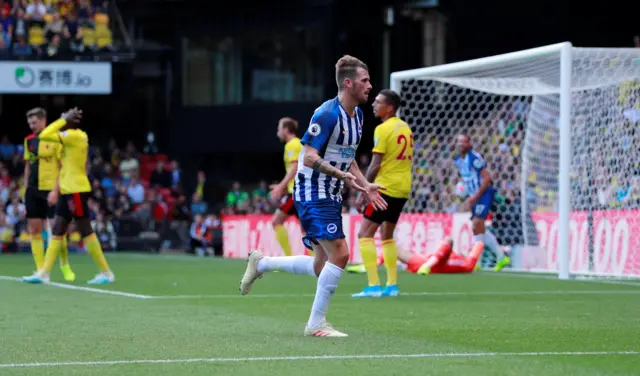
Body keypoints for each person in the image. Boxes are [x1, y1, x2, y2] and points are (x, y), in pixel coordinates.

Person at [239, 55, 387, 337]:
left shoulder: (357, 116)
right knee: (341, 254)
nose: (370, 86)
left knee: (322, 265)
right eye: (365, 80)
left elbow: (347, 155)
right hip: (312, 191)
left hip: (330, 192)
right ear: (348, 82)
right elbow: (308, 157)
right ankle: (316, 324)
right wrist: (339, 174)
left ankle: (262, 263)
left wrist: (365, 183)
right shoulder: (327, 113)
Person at [23, 108, 115, 285]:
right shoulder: (69, 137)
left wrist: (62, 119)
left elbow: (45, 134)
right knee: (57, 230)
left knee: (85, 230)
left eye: (66, 119)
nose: (62, 121)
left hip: (76, 190)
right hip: (67, 190)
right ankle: (44, 273)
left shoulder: (76, 136)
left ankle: (106, 272)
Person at [351, 89, 412, 298]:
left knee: (364, 233)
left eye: (378, 102)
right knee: (387, 235)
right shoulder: (405, 128)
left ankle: (374, 285)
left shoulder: (383, 129)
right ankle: (392, 286)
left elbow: (375, 165)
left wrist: (365, 188)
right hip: (402, 188)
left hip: (385, 188)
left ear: (390, 107)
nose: (374, 105)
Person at [21, 107, 75, 282]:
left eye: (34, 122)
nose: (32, 126)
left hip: (52, 189)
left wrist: (55, 190)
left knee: (57, 230)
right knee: (34, 230)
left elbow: (63, 167)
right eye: (29, 123)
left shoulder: (55, 139)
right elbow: (28, 165)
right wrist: (25, 189)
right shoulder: (29, 141)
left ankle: (64, 264)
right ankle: (41, 271)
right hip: (33, 190)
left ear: (44, 121)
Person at [454, 134, 509, 270]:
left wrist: (475, 196)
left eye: (463, 142)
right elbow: (467, 180)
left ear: (469, 144)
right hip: (474, 196)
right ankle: (501, 258)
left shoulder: (474, 158)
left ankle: (475, 260)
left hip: (484, 193)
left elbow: (487, 178)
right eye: (458, 142)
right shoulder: (458, 161)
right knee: (477, 228)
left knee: (477, 223)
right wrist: (466, 193)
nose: (461, 144)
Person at [268, 117, 305, 257]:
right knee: (306, 229)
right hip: (299, 191)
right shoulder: (297, 144)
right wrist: (282, 187)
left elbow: (295, 168)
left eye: (279, 128)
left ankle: (289, 257)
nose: (277, 132)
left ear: (285, 130)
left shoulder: (292, 145)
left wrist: (280, 187)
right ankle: (316, 261)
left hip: (296, 192)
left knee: (276, 222)